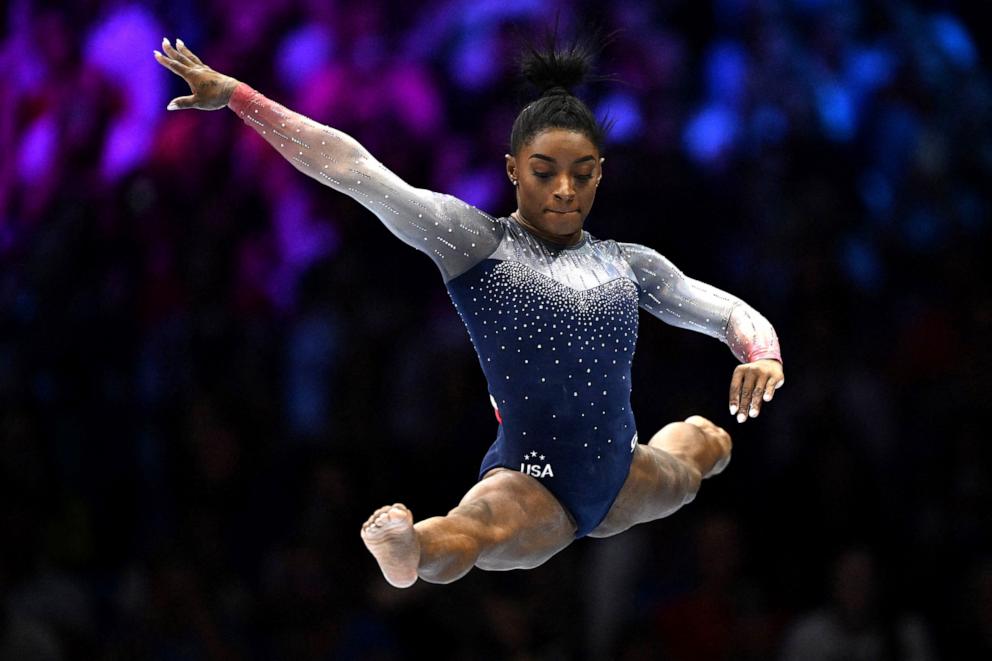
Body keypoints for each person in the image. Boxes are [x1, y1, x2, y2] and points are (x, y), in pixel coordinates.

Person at [154, 32, 784, 589]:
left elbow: (726, 310)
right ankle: (409, 549)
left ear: (600, 176)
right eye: (544, 172)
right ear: (513, 170)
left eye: (582, 174)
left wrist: (761, 352)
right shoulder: (476, 245)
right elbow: (354, 169)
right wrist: (239, 95)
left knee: (709, 445)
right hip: (534, 480)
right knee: (473, 532)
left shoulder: (630, 263)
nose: (564, 190)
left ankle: (705, 441)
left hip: (620, 476)